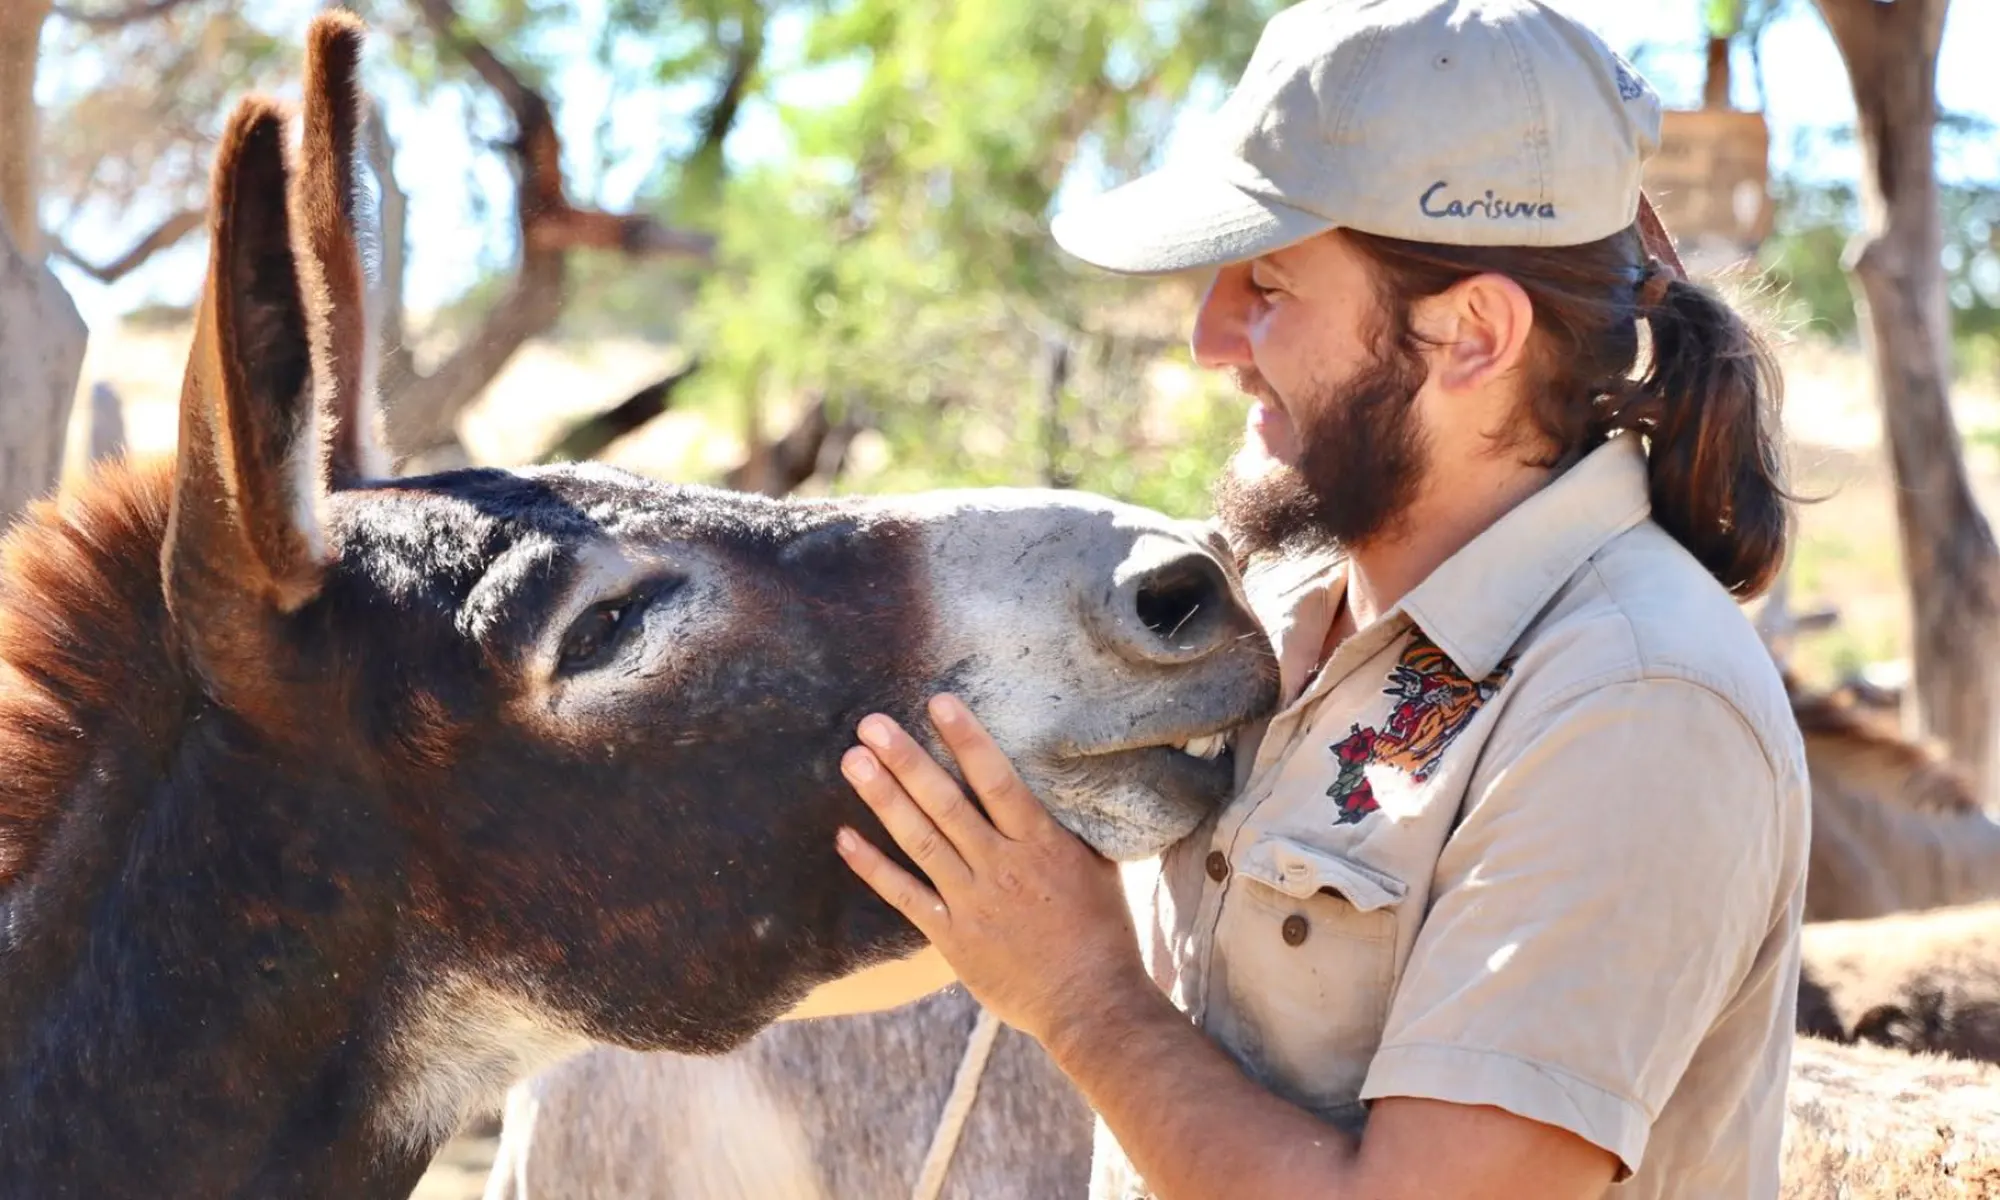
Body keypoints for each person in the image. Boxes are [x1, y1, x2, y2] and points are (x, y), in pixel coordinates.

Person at [819, 1, 1812, 1196]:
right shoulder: (1276, 600)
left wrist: (1082, 997)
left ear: (1472, 335)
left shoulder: (1636, 705)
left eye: (1269, 285)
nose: (1207, 338)